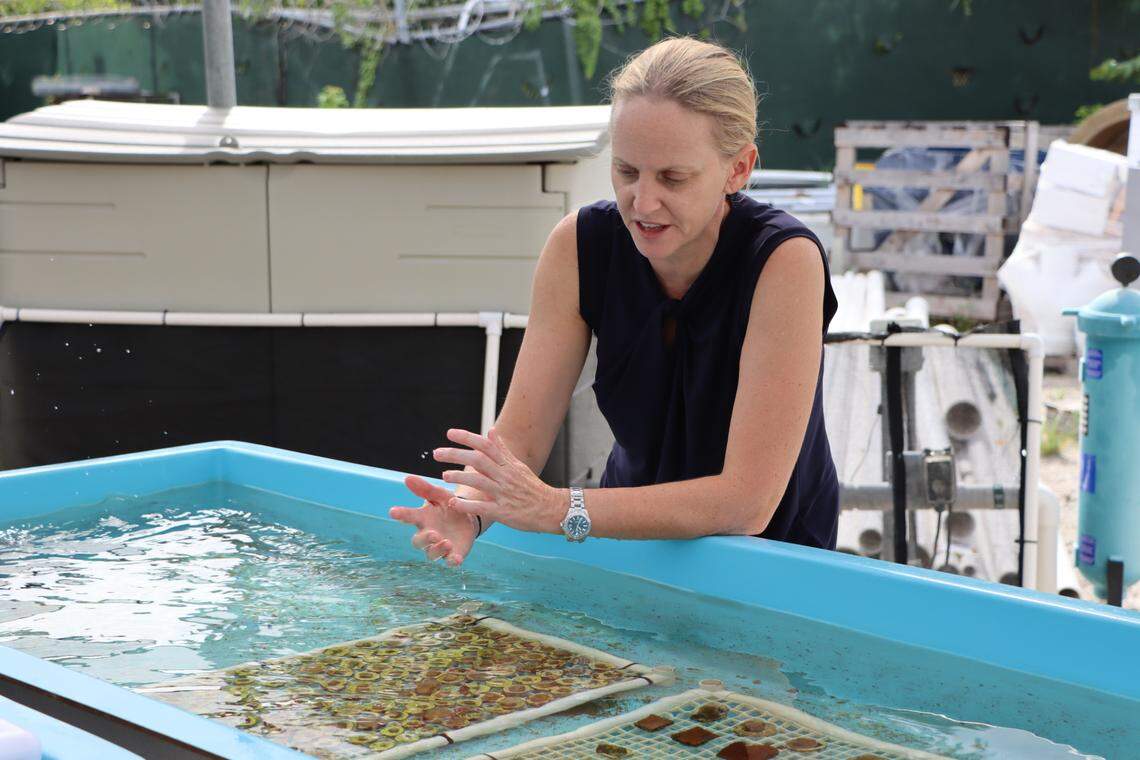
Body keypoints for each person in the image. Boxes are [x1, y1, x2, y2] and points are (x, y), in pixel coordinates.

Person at [390, 36, 839, 565]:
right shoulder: (578, 246)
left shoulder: (784, 260)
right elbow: (521, 446)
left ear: (738, 169)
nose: (642, 202)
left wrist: (560, 509)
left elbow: (746, 503)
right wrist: (469, 511)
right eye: (626, 171)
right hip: (626, 544)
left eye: (673, 177)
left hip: (779, 563)